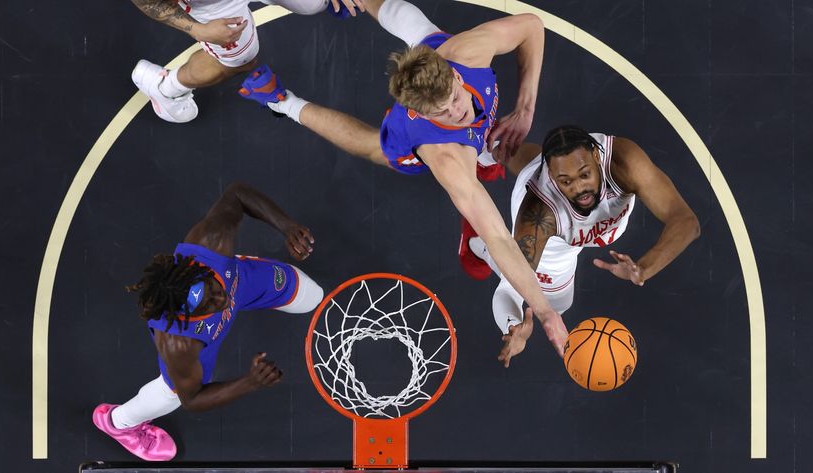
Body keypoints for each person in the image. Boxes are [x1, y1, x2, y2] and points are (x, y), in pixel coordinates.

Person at [239, 0, 570, 356]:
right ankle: (281, 101)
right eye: (442, 112)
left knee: (425, 34)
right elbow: (498, 237)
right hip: (420, 141)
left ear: (456, 76)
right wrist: (545, 309)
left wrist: (525, 106)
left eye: (455, 99)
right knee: (371, 148)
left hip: (441, 55)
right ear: (421, 112)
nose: (457, 112)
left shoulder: (468, 51)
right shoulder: (444, 156)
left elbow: (532, 26)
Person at [92, 182, 324, 461]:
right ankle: (118, 423)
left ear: (199, 269)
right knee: (172, 393)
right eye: (209, 304)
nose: (220, 299)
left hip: (242, 280)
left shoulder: (210, 243)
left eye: (213, 289)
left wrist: (287, 227)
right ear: (183, 313)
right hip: (205, 340)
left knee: (313, 298)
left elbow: (237, 194)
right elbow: (193, 399)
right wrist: (249, 382)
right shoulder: (180, 344)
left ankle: (245, 279)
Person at [461, 125, 700, 367]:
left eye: (585, 175)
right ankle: (479, 246)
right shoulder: (538, 216)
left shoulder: (623, 161)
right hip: (554, 248)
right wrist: (512, 325)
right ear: (551, 176)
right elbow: (508, 289)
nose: (579, 189)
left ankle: (493, 147)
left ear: (597, 157)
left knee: (531, 158)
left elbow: (686, 221)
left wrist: (644, 268)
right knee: (559, 303)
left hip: (554, 189)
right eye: (565, 181)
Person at [129, 0, 366, 123]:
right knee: (241, 61)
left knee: (314, 4)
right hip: (214, 5)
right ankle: (165, 87)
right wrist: (197, 29)